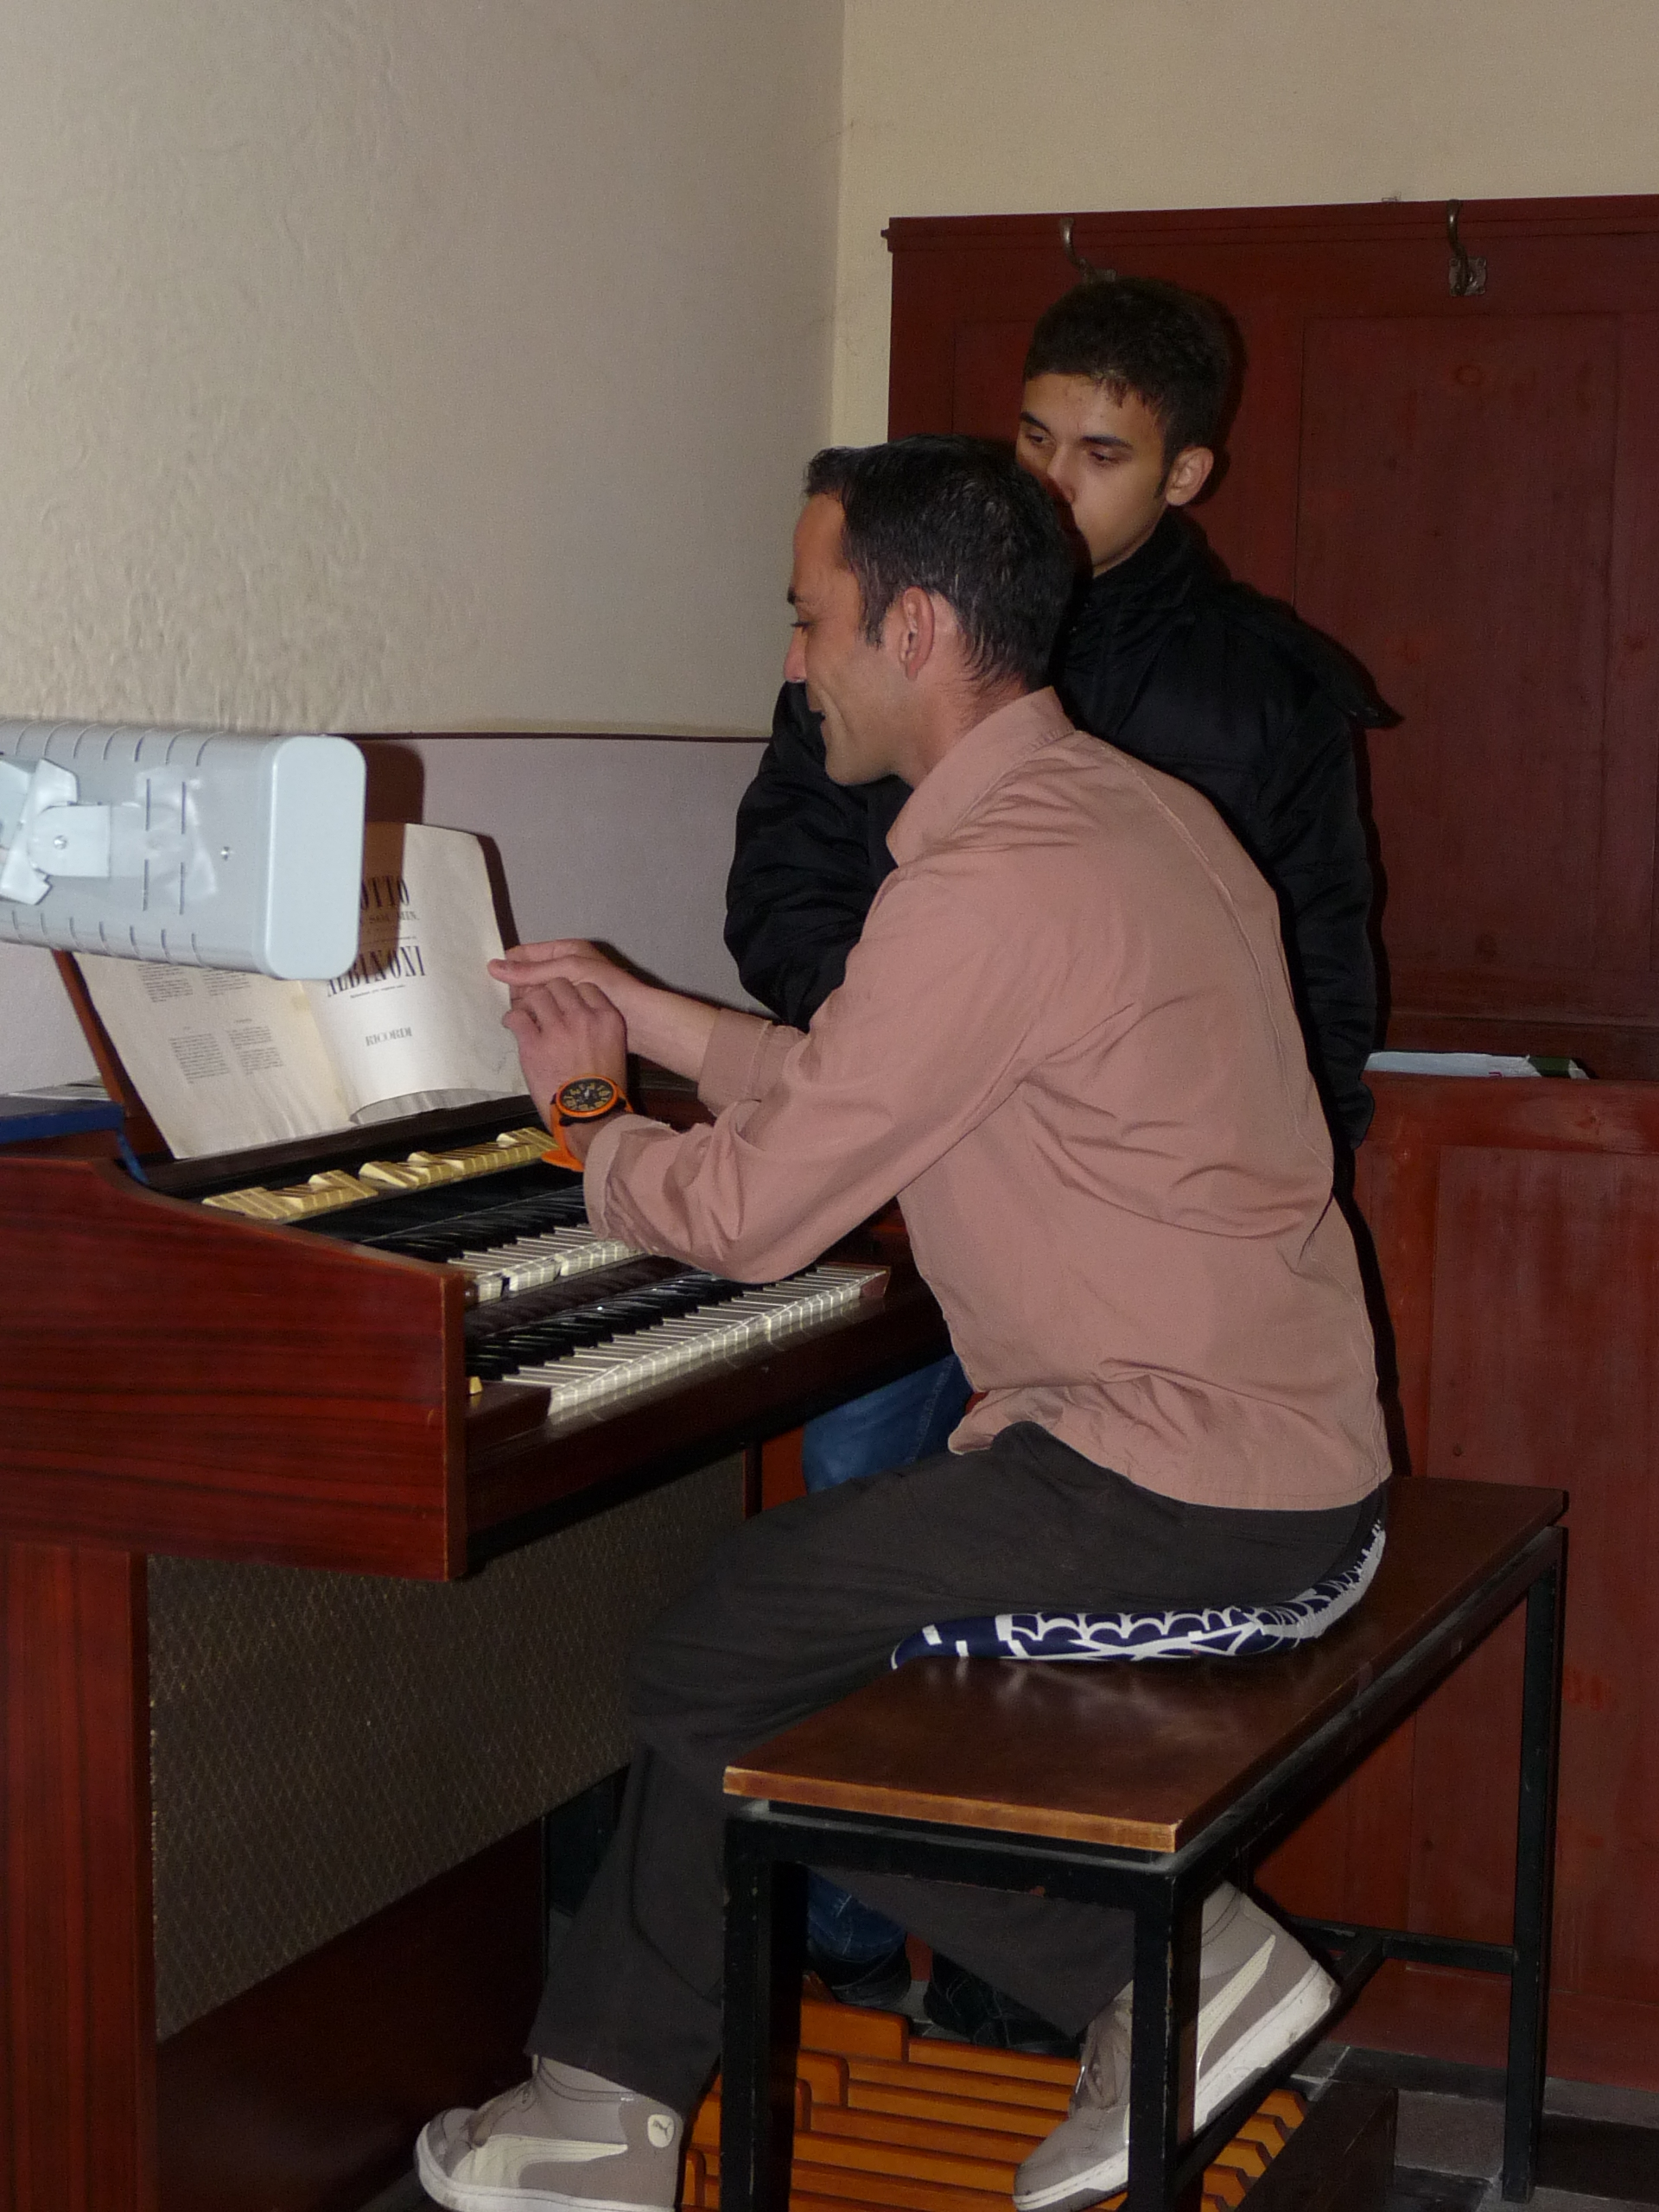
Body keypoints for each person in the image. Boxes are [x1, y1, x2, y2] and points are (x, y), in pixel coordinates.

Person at [416, 436, 1388, 2212]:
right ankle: (599, 2106)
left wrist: (584, 1121)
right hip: (1264, 1443)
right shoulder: (1122, 812)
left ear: (915, 628)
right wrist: (653, 1017)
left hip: (1186, 1484)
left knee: (720, 1648)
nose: (797, 661)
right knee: (758, 1625)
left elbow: (749, 1216)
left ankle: (1166, 1974)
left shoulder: (988, 883)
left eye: (812, 618)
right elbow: (869, 1074)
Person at [724, 276, 1385, 2038]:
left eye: (1103, 452)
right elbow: (781, 885)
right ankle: (839, 1949)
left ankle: (1038, 1991)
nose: (1054, 479)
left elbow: (1318, 988)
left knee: (963, 1618)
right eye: (1033, 437)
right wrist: (903, 1052)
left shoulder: (1260, 687)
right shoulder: (894, 627)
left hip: (1135, 1275)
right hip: (907, 1196)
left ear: (1186, 475)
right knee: (848, 1569)